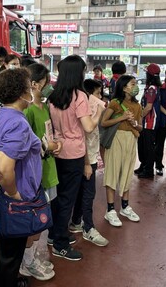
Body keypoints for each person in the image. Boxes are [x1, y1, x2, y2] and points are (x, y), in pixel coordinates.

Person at [0, 68, 43, 287]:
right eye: (29, 87)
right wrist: (15, 195)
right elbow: (3, 167)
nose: (33, 89)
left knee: (8, 253)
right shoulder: (18, 123)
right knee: (10, 257)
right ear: (20, 93)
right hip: (13, 201)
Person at [47, 55, 103, 261]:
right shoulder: (79, 96)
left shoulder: (54, 96)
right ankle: (60, 244)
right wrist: (97, 112)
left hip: (57, 150)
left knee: (58, 196)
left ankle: (54, 235)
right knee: (67, 200)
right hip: (74, 153)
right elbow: (88, 127)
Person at [20, 63, 60, 281]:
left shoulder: (44, 108)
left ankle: (33, 256)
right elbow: (27, 146)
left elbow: (46, 136)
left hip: (49, 167)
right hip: (37, 172)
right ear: (34, 84)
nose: (49, 87)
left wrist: (54, 144)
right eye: (46, 83)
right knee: (35, 220)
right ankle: (27, 261)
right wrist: (47, 147)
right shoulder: (28, 111)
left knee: (43, 219)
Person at [69, 79, 109, 245]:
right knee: (88, 194)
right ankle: (88, 228)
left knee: (81, 192)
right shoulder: (87, 108)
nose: (101, 97)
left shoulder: (86, 107)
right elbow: (85, 134)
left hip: (88, 156)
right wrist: (87, 163)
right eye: (98, 93)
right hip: (86, 158)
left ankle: (76, 222)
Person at [101, 75, 142, 227]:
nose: (135, 86)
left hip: (131, 140)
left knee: (127, 172)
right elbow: (104, 122)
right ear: (124, 87)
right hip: (116, 139)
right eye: (133, 84)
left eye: (136, 83)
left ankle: (125, 206)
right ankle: (110, 209)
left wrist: (134, 123)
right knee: (112, 172)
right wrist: (122, 117)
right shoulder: (115, 103)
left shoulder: (138, 106)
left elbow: (140, 127)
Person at [136, 63, 161, 179]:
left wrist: (139, 117)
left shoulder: (152, 88)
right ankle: (144, 165)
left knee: (148, 147)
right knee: (142, 145)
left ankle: (148, 170)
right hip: (147, 122)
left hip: (149, 122)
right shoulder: (151, 87)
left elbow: (148, 107)